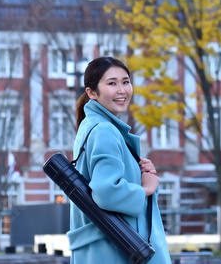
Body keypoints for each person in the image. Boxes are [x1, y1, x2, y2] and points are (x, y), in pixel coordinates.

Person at [67, 56, 171, 263]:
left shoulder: (91, 126)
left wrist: (138, 171)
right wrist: (146, 189)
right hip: (116, 250)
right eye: (112, 83)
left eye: (125, 82)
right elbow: (106, 192)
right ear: (92, 93)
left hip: (101, 250)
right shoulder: (104, 130)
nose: (122, 90)